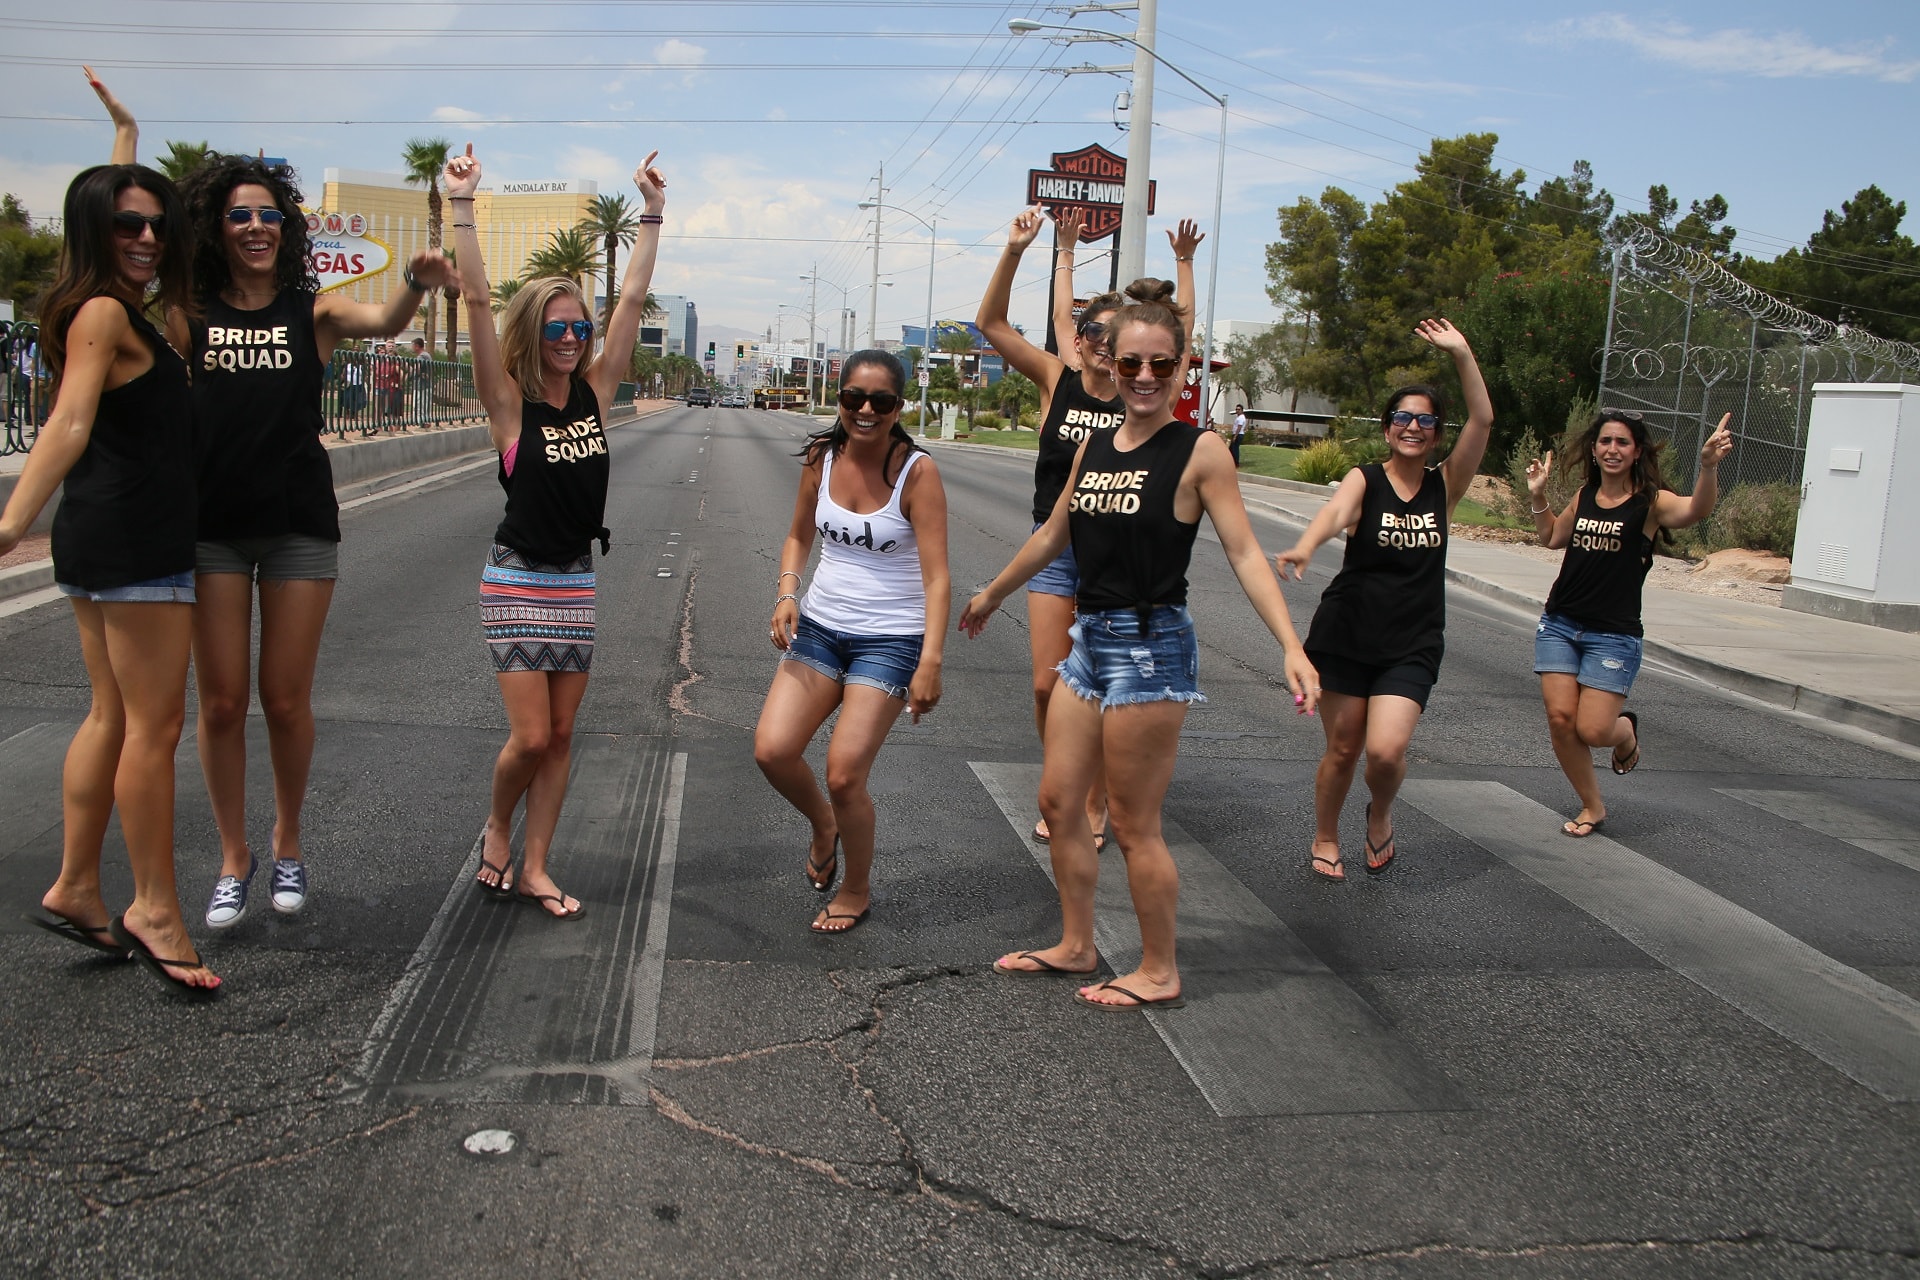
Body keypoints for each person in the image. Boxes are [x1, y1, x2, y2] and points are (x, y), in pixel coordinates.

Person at [960, 300, 1317, 1008]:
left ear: (1183, 367)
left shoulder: (1199, 451)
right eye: (1132, 362)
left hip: (1151, 646)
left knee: (1130, 822)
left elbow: (1244, 552)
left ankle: (1159, 969)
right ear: (1112, 363)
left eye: (1161, 362)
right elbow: (1053, 532)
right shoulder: (1094, 446)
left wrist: (1290, 645)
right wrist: (993, 592)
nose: (1145, 375)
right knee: (1059, 801)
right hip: (1089, 641)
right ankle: (1076, 943)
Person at [168, 142, 455, 931]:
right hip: (212, 530)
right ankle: (235, 858)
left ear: (285, 228)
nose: (256, 226)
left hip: (297, 526)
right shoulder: (189, 314)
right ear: (215, 227)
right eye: (240, 215)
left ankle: (287, 842)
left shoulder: (315, 309)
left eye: (269, 214)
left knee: (284, 699)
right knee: (222, 703)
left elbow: (387, 320)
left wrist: (413, 283)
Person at [0, 160, 219, 994]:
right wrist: (12, 520)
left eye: (157, 223)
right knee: (153, 730)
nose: (149, 237)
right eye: (128, 224)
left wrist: (125, 137)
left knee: (111, 715)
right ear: (93, 229)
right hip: (135, 541)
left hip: (105, 535)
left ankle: (78, 886)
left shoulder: (124, 309)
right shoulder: (102, 312)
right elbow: (68, 421)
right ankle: (155, 908)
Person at [446, 143, 665, 918]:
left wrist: (650, 213)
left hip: (575, 579)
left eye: (580, 329)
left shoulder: (597, 394)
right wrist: (463, 207)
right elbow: (474, 302)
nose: (572, 340)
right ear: (533, 334)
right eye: (558, 330)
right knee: (532, 739)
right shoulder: (511, 405)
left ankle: (537, 866)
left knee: (564, 735)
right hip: (516, 579)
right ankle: (498, 823)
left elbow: (633, 303)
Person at [974, 204, 1201, 850]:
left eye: (1113, 338)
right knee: (1049, 682)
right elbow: (992, 323)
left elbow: (1178, 331)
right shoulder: (1058, 379)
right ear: (1081, 342)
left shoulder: (1147, 391)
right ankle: (1067, 780)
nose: (1102, 346)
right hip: (1059, 547)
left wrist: (1184, 265)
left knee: (1103, 683)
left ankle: (1094, 796)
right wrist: (1027, 250)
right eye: (1091, 335)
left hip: (1121, 558)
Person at [1275, 319, 1493, 882]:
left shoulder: (1446, 486)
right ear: (1388, 427)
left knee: (1386, 753)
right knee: (1343, 750)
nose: (1413, 426)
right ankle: (1326, 835)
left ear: (1437, 434)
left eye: (1425, 420)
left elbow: (1484, 418)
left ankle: (1381, 810)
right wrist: (1305, 544)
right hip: (1347, 633)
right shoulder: (1364, 478)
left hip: (1412, 641)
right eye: (1403, 417)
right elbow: (1335, 513)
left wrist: (1461, 353)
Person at [754, 350, 950, 933]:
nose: (865, 410)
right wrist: (787, 593)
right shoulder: (821, 456)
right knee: (772, 750)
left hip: (889, 640)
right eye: (853, 399)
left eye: (880, 401)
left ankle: (857, 888)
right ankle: (824, 825)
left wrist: (931, 661)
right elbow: (797, 535)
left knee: (844, 773)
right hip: (820, 625)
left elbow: (938, 577)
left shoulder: (917, 473)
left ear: (898, 407)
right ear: (838, 400)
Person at [1525, 410, 1733, 836]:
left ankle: (1625, 736)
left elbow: (1697, 510)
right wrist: (1537, 496)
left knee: (1594, 729)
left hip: (1613, 636)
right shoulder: (1584, 495)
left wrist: (1708, 468)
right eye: (1605, 442)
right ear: (1595, 449)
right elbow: (1550, 537)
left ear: (1637, 451)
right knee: (1561, 720)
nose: (1612, 449)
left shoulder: (1650, 502)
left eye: (1622, 442)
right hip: (1561, 624)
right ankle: (1592, 806)